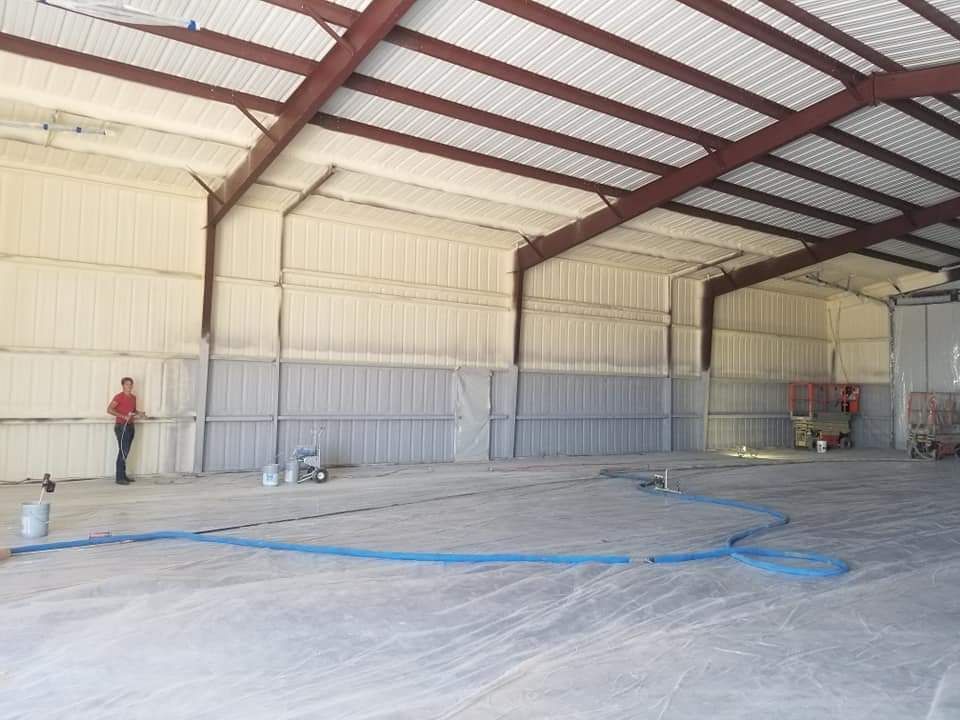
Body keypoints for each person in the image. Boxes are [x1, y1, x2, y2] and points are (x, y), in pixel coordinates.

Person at [107, 377, 143, 485]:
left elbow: (133, 411)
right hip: (121, 427)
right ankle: (119, 478)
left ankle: (123, 475)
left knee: (125, 452)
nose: (129, 386)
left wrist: (140, 413)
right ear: (123, 385)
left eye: (131, 384)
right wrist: (123, 416)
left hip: (130, 426)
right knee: (123, 451)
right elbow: (109, 410)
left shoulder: (133, 397)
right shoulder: (119, 397)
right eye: (127, 384)